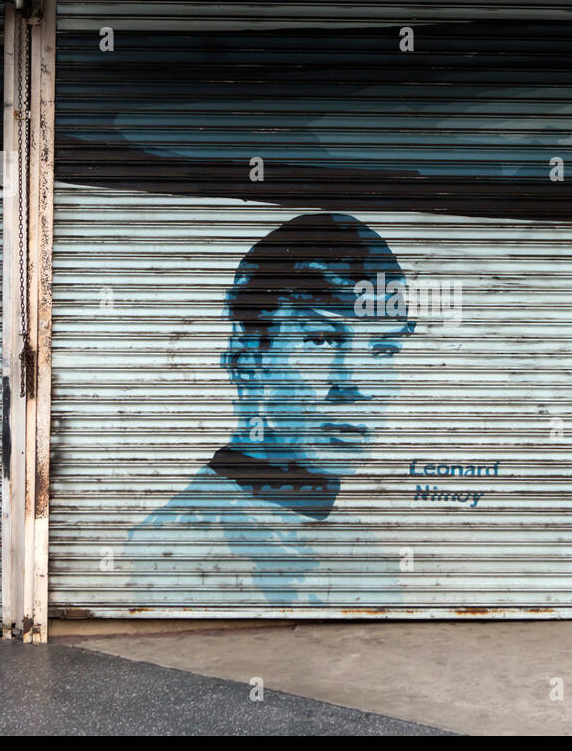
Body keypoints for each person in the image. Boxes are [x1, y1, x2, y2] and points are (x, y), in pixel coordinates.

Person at [129, 213, 414, 607]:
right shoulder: (173, 556)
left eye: (384, 349)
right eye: (321, 339)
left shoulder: (360, 548)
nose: (358, 384)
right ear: (247, 360)